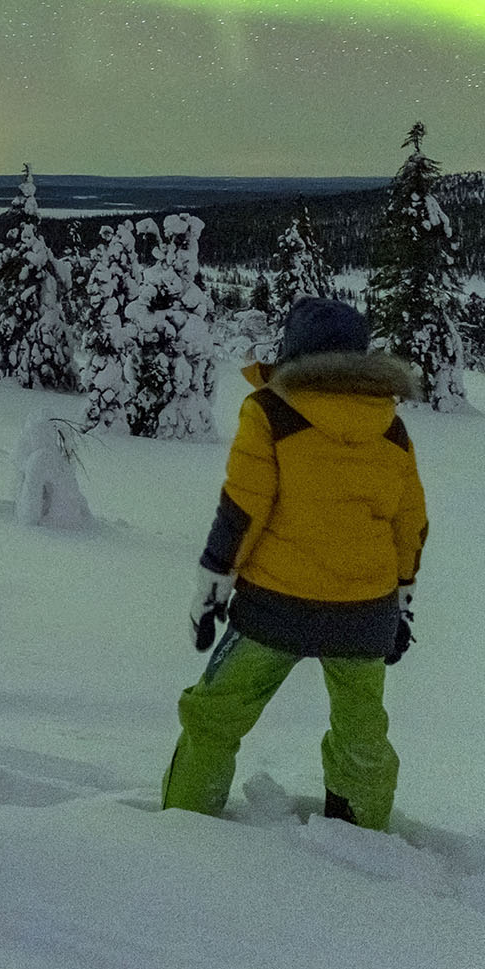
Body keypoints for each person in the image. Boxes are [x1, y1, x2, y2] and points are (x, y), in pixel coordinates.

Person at [161, 296, 428, 830]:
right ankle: (361, 838)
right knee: (361, 735)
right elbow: (410, 523)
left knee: (214, 716)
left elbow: (243, 508)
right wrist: (401, 604)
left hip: (274, 605)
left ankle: (184, 827)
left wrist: (212, 588)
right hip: (365, 609)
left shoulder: (270, 411)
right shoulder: (390, 426)